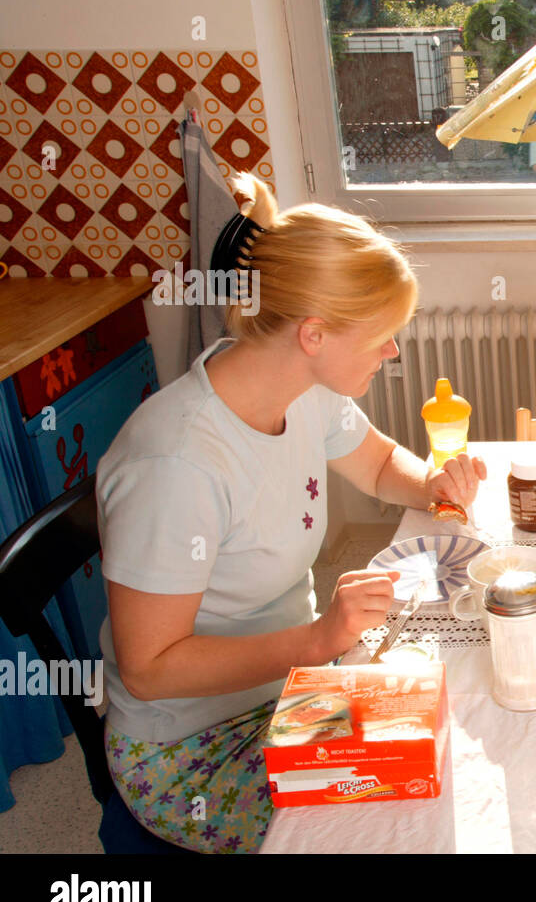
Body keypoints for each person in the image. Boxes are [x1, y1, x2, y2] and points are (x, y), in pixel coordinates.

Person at [96, 172, 486, 853]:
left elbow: (374, 462)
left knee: (458, 735)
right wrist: (316, 639)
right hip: (193, 744)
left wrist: (433, 483)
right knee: (393, 825)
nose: (393, 353)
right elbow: (149, 668)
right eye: (383, 336)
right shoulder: (178, 463)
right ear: (313, 333)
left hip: (292, 690)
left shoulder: (303, 386)